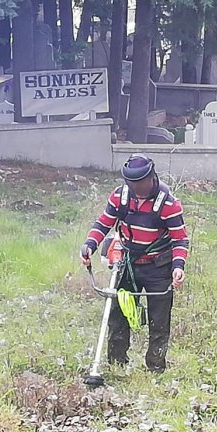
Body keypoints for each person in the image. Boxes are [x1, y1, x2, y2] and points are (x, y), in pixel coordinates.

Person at [80, 154, 190, 373]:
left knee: (159, 321)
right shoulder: (120, 198)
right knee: (117, 314)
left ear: (152, 177)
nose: (137, 188)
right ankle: (117, 364)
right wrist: (90, 245)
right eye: (132, 184)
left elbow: (180, 239)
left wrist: (178, 266)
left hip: (158, 266)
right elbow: (104, 223)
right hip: (128, 264)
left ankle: (155, 369)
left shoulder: (169, 204)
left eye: (141, 183)